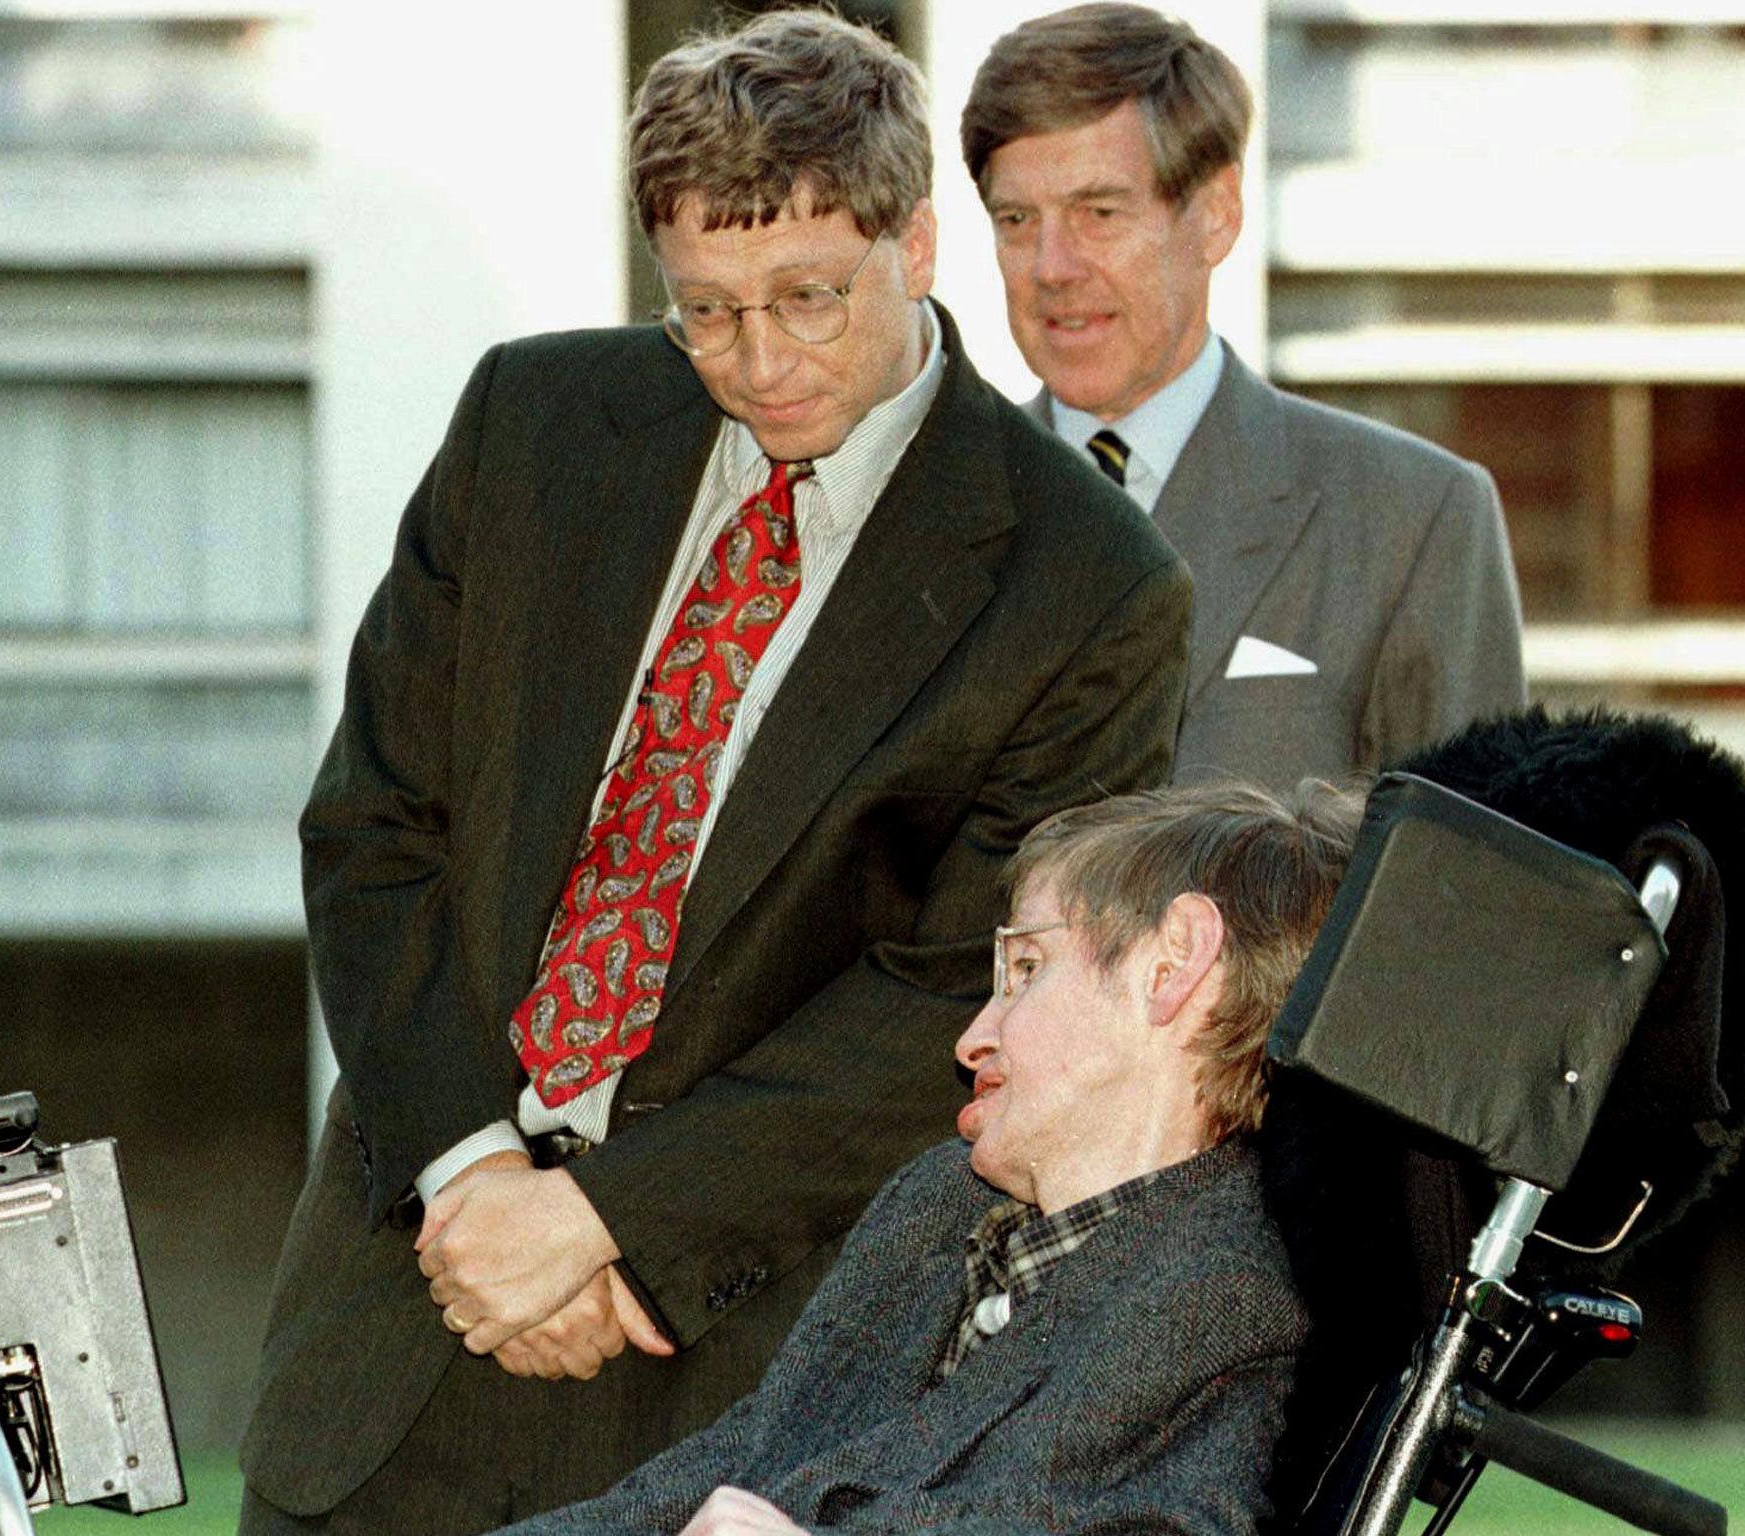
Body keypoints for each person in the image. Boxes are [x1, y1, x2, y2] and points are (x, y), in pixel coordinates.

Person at [238, 11, 1191, 1534]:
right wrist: (474, 1177)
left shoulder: (1087, 587)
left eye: (809, 299)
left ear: (919, 243)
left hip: (729, 1375)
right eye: (706, 312)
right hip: (403, 1317)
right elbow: (373, 831)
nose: (760, 362)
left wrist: (602, 1223)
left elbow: (950, 990)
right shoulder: (528, 426)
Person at [490, 781, 1361, 1536]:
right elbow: (736, 1461)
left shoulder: (1233, 1289)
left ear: (1173, 966)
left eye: (1024, 969)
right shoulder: (937, 1209)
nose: (972, 1038)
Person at [961, 3, 1526, 791]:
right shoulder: (940, 511)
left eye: (1099, 212)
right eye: (1017, 220)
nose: (1052, 266)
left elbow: (1464, 886)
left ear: (1217, 215)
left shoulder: (1414, 521)